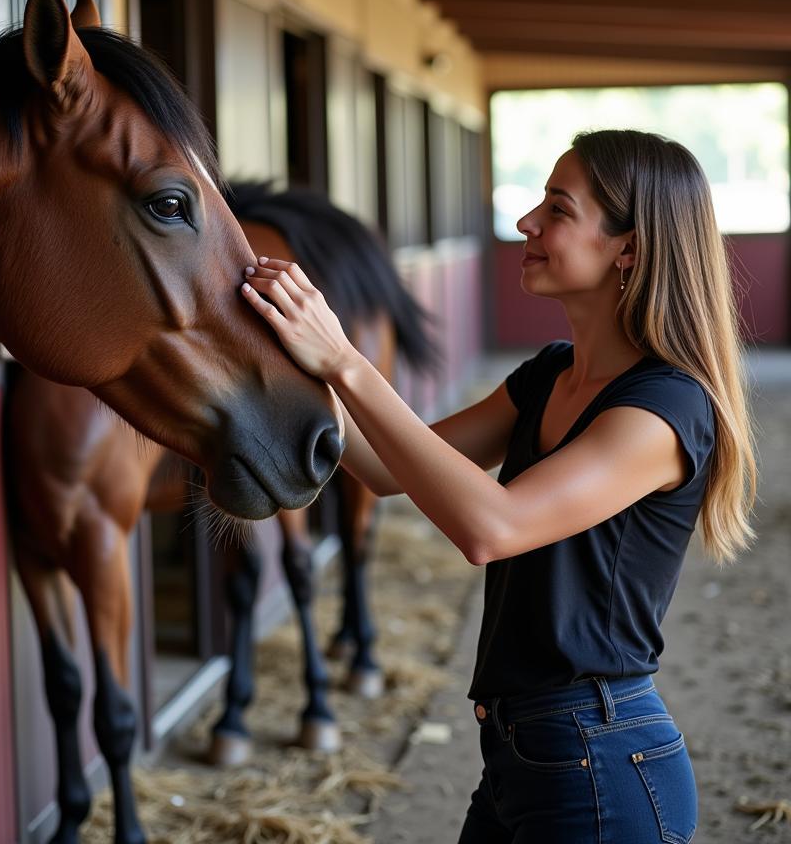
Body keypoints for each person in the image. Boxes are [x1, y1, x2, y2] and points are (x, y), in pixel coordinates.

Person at [240, 129, 756, 843]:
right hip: (519, 754)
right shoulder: (549, 373)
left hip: (601, 760)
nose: (526, 224)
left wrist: (347, 359)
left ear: (628, 249)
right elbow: (387, 468)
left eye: (558, 209)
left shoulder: (666, 409)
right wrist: (297, 364)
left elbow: (491, 526)